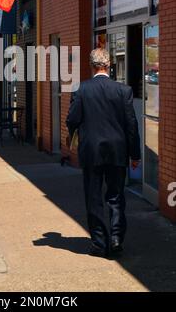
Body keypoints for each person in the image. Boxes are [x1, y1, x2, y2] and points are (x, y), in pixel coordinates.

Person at [66, 48, 141, 258]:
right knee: (116, 196)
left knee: (93, 197)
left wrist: (72, 134)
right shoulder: (123, 91)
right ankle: (116, 238)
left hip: (91, 151)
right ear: (109, 65)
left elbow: (72, 119)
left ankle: (99, 242)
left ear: (91, 66)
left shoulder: (81, 89)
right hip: (118, 151)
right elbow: (131, 125)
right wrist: (135, 155)